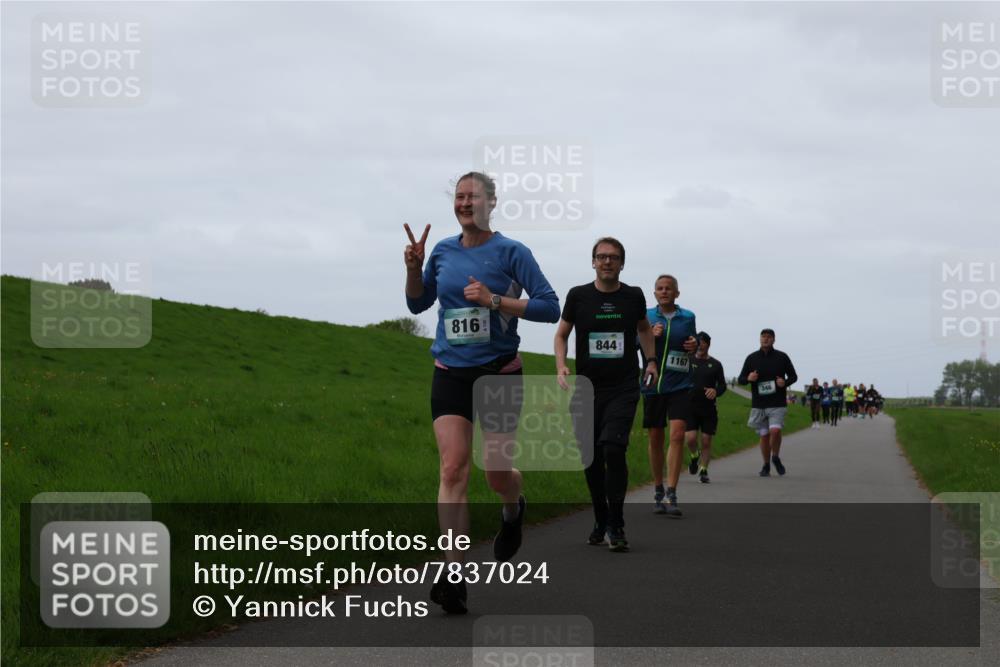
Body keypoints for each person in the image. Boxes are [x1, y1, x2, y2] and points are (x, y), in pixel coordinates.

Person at [405, 171, 560, 613]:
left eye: (473, 196)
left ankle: (513, 507)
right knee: (453, 469)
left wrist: (495, 301)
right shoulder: (442, 251)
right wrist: (414, 269)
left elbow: (551, 307)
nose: (465, 202)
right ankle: (453, 576)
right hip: (450, 370)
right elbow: (417, 303)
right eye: (459, 196)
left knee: (495, 472)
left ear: (492, 202)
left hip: (499, 373)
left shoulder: (512, 252)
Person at [555, 237, 658, 552]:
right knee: (592, 459)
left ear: (622, 263)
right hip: (587, 388)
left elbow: (642, 328)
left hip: (623, 387)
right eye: (601, 256)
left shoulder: (633, 296)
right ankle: (601, 518)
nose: (607, 261)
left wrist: (650, 360)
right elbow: (562, 334)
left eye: (613, 257)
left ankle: (617, 523)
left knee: (613, 449)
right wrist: (560, 365)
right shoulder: (578, 296)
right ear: (593, 262)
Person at [641, 275, 697, 516]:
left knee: (676, 435)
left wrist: (694, 345)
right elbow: (635, 343)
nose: (664, 292)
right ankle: (657, 488)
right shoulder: (645, 316)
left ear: (677, 293)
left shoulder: (688, 317)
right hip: (653, 385)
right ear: (654, 293)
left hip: (680, 384)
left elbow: (692, 345)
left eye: (668, 289)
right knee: (656, 437)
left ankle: (672, 492)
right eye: (660, 289)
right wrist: (649, 335)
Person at [737, 329, 798, 476]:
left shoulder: (782, 357)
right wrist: (749, 378)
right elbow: (741, 379)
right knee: (764, 435)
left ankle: (775, 456)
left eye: (769, 337)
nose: (765, 339)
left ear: (774, 340)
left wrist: (785, 382)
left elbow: (794, 376)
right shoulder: (751, 358)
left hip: (777, 402)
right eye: (763, 337)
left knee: (775, 431)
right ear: (759, 339)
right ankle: (766, 465)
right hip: (759, 403)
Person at [685, 331, 726, 483]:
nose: (699, 344)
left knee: (706, 440)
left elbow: (722, 385)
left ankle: (703, 470)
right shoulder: (687, 360)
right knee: (690, 439)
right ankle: (694, 455)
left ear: (708, 344)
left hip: (708, 408)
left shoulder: (715, 364)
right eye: (697, 341)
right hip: (690, 406)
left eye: (702, 342)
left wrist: (715, 391)